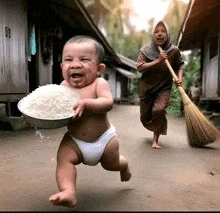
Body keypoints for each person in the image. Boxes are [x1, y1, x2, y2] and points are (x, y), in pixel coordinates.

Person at [49, 35, 131, 207]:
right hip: (75, 140)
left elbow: (107, 102)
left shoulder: (98, 84)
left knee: (112, 164)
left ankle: (124, 166)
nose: (76, 64)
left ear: (99, 68)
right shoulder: (63, 86)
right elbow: (54, 112)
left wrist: (87, 103)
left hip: (104, 140)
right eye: (69, 59)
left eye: (84, 60)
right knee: (64, 160)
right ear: (62, 66)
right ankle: (68, 191)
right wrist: (36, 118)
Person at [136, 21, 184, 149]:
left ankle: (155, 139)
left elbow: (180, 65)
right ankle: (156, 126)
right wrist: (158, 61)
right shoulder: (145, 50)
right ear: (152, 35)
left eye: (163, 31)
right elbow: (140, 67)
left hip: (164, 87)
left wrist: (179, 79)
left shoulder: (174, 51)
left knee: (158, 110)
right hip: (146, 88)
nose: (159, 34)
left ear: (168, 34)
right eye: (156, 32)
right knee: (145, 117)